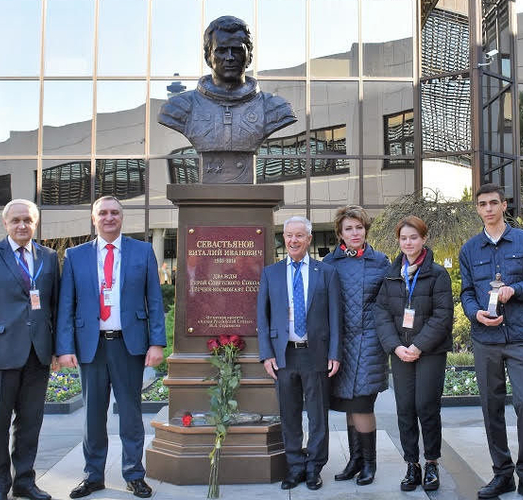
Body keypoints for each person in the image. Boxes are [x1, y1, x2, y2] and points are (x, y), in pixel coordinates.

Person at [56, 196, 166, 499]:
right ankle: (93, 476)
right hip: (91, 346)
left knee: (131, 414)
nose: (108, 217)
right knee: (92, 416)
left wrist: (157, 342)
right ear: (94, 218)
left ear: (122, 217)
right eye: (102, 213)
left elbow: (154, 301)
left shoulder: (142, 252)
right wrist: (65, 347)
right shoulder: (75, 255)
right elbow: (67, 304)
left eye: (114, 213)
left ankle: (134, 474)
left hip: (129, 345)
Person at [459, 183, 523, 500]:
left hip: (519, 337)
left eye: (493, 203)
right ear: (478, 208)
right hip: (485, 338)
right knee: (491, 407)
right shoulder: (469, 249)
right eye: (482, 204)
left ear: (504, 205)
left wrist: (516, 289)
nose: (488, 208)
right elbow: (467, 293)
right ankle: (502, 474)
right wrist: (475, 314)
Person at [0, 199, 60, 500]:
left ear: (35, 223)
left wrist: (56, 349)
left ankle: (25, 481)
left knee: (30, 422)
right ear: (4, 224)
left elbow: (54, 306)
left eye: (28, 220)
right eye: (16, 220)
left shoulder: (49, 256)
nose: (22, 225)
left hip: (38, 354)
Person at [257, 216, 342, 491]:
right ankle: (294, 467)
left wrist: (334, 352)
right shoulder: (271, 273)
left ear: (308, 238)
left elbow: (335, 316)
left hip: (315, 353)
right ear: (284, 238)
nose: (293, 241)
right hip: (284, 355)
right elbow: (263, 316)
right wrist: (266, 354)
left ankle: (314, 467)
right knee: (289, 414)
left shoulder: (325, 272)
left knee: (318, 415)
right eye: (289, 235)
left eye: (299, 236)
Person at [158, 15, 296, 183]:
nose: (229, 57)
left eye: (237, 50)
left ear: (249, 56)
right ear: (208, 57)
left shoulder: (275, 108)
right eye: (221, 50)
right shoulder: (179, 108)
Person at [374, 216, 453, 492]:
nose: (408, 242)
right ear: (399, 241)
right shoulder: (390, 274)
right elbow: (381, 313)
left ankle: (431, 462)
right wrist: (396, 346)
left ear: (424, 239)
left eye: (414, 237)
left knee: (426, 407)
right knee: (405, 409)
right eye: (404, 238)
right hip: (400, 351)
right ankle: (412, 464)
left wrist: (418, 346)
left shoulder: (438, 274)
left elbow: (443, 316)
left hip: (429, 352)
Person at [322, 205, 389, 486]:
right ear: (340, 233)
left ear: (366, 230)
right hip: (340, 346)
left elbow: (388, 304)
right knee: (349, 404)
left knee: (362, 404)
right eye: (348, 228)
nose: (354, 233)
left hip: (370, 342)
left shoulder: (381, 261)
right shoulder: (328, 263)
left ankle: (370, 464)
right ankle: (355, 460)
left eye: (359, 227)